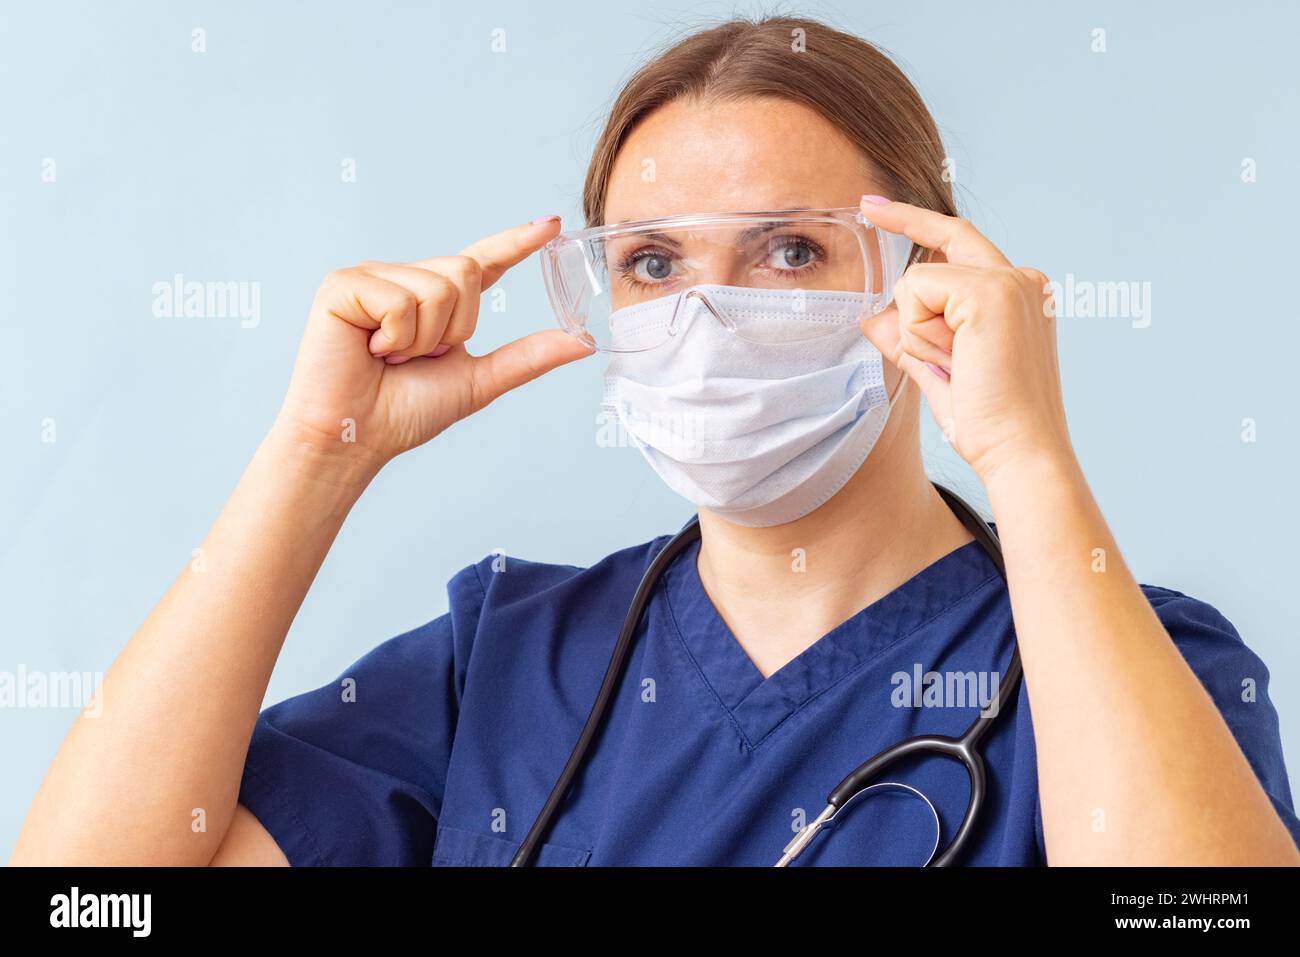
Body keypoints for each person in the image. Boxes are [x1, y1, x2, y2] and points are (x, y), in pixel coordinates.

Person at [12, 15, 1300, 867]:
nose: (708, 314)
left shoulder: (1131, 663)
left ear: (927, 275)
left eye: (790, 250)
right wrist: (314, 456)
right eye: (650, 262)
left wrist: (1031, 460)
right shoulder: (502, 667)